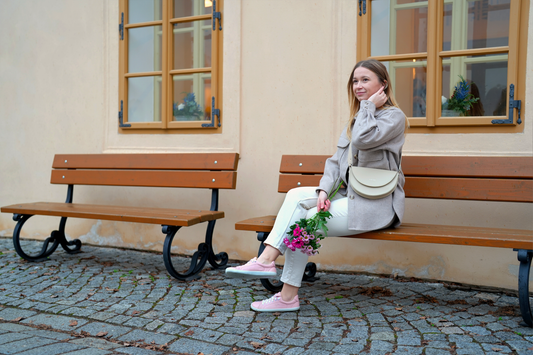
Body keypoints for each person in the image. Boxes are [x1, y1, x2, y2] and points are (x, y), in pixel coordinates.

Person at [226, 59, 407, 312]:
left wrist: (367, 107)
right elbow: (335, 163)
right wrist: (323, 190)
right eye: (355, 81)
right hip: (347, 195)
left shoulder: (393, 117)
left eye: (365, 80)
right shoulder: (356, 118)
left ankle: (286, 295)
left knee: (306, 219)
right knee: (295, 195)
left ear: (383, 84)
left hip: (374, 205)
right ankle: (267, 260)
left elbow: (364, 140)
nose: (358, 85)